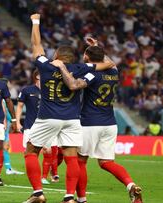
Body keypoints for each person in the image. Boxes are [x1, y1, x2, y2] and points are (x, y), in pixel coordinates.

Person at [23, 14, 115, 203]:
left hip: (48, 117)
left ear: (56, 56)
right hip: (72, 119)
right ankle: (69, 197)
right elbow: (110, 63)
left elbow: (36, 45)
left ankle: (38, 193)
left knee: (31, 151)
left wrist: (35, 22)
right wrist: (96, 48)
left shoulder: (47, 66)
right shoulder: (82, 68)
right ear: (73, 58)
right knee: (72, 158)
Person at [53, 37, 143, 203]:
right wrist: (96, 46)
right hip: (110, 123)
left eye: (85, 55)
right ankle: (130, 185)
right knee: (106, 162)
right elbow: (110, 61)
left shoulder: (92, 73)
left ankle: (81, 199)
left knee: (80, 161)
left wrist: (64, 72)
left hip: (90, 122)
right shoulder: (114, 72)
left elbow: (75, 85)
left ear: (87, 57)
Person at [16, 69, 58, 184]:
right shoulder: (26, 90)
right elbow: (19, 106)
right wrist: (18, 122)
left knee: (48, 150)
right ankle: (34, 175)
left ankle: (44, 177)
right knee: (31, 152)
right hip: (31, 125)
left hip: (48, 125)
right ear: (37, 77)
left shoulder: (52, 90)